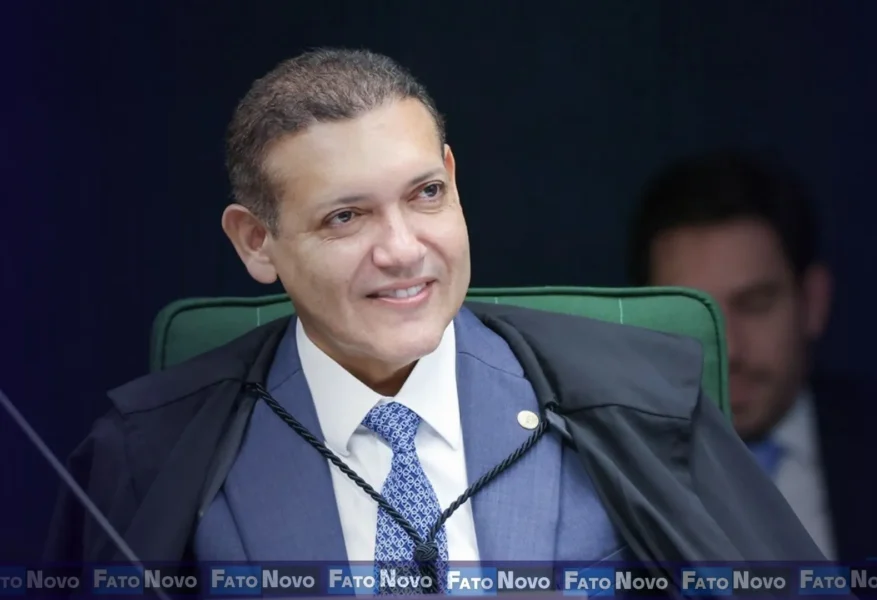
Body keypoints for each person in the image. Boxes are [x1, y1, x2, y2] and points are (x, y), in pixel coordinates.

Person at [43, 51, 824, 585]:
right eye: (346, 217)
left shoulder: (639, 402)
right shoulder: (144, 454)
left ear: (452, 176)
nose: (403, 250)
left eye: (425, 195)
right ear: (257, 241)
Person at [628, 150, 877, 562]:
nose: (729, 349)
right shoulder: (593, 476)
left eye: (755, 304)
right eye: (689, 314)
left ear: (813, 302)